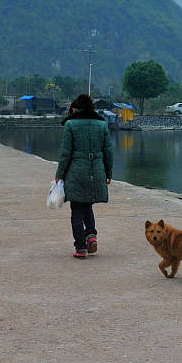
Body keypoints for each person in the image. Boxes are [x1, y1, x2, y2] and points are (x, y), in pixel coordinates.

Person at [54, 93, 113, 259]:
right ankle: (91, 235)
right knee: (87, 205)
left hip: (76, 172)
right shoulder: (102, 125)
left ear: (74, 108)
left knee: (77, 210)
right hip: (97, 171)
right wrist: (108, 173)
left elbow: (66, 153)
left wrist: (59, 175)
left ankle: (80, 247)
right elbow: (108, 151)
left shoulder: (71, 125)